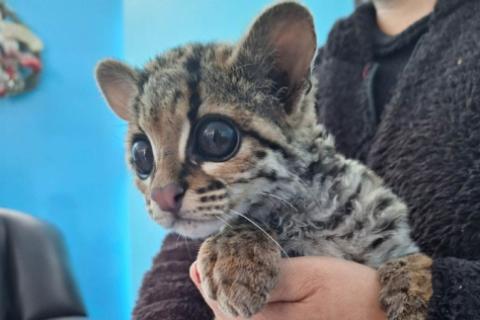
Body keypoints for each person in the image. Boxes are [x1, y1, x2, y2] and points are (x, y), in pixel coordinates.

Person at [133, 0, 480, 319]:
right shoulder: (332, 61)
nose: (163, 191)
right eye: (142, 155)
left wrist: (418, 301)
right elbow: (183, 263)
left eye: (215, 139)